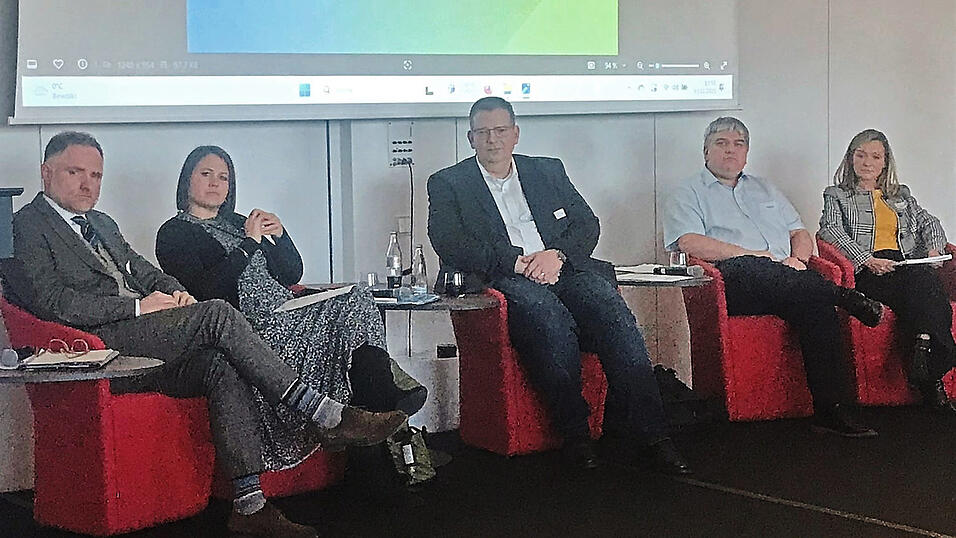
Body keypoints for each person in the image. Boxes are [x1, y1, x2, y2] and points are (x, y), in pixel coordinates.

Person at [1, 132, 408, 538]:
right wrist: (138, 306)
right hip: (100, 341)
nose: (87, 183)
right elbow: (50, 301)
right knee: (217, 314)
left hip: (141, 332)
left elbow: (142, 270)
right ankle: (325, 414)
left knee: (220, 364)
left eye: (95, 175)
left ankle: (249, 506)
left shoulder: (101, 222)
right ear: (46, 172)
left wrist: (175, 291)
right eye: (75, 172)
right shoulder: (25, 226)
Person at [427, 96, 690, 474]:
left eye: (500, 131)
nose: (492, 140)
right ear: (470, 139)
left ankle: (653, 434)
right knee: (550, 320)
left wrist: (557, 255)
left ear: (515, 134)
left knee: (612, 312)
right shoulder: (449, 183)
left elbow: (587, 224)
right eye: (483, 133)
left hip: (560, 268)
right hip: (505, 276)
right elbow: (449, 242)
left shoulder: (547, 171)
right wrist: (516, 261)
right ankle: (576, 434)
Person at [155, 145, 428, 474]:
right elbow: (207, 291)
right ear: (187, 180)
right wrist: (250, 244)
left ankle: (376, 407)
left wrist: (281, 236)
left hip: (287, 308)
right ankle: (387, 399)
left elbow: (291, 273)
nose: (215, 183)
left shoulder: (239, 222)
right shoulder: (173, 233)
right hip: (247, 327)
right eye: (206, 174)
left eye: (224, 177)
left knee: (358, 295)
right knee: (349, 309)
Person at [662, 117, 885, 438]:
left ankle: (831, 410)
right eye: (722, 144)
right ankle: (841, 295)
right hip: (733, 281)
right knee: (756, 266)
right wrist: (748, 254)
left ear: (747, 153)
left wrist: (799, 259)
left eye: (738, 145)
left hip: (788, 277)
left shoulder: (765, 188)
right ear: (706, 152)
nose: (730, 151)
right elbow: (688, 241)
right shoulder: (687, 191)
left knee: (815, 306)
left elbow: (800, 232)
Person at [819, 129, 955, 412]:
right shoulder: (837, 195)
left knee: (923, 280)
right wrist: (867, 259)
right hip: (870, 270)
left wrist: (932, 248)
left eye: (875, 156)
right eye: (861, 155)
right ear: (851, 159)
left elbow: (930, 222)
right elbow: (830, 230)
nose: (868, 162)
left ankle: (924, 349)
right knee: (926, 288)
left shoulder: (900, 195)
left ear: (885, 163)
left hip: (904, 264)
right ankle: (933, 368)